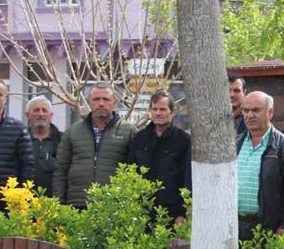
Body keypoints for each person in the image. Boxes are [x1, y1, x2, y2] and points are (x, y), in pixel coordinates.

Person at [53, 83, 136, 208]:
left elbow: (135, 171)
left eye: (106, 99)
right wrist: (59, 204)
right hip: (77, 204)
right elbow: (60, 170)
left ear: (114, 103)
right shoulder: (73, 132)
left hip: (113, 206)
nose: (101, 103)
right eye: (96, 99)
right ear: (89, 102)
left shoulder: (129, 132)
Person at [126, 91, 192, 223]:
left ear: (172, 112)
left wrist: (183, 213)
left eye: (163, 109)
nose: (158, 113)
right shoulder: (139, 138)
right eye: (154, 109)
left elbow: (188, 179)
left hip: (172, 214)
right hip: (142, 213)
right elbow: (130, 173)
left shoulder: (184, 140)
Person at [236, 91, 284, 240]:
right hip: (233, 227)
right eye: (246, 110)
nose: (249, 115)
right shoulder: (234, 145)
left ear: (270, 112)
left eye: (255, 110)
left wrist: (283, 225)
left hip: (266, 229)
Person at [0, 77, 33, 211]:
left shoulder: (18, 128)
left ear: (5, 98)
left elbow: (28, 165)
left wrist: (21, 196)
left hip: (8, 201)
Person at [25, 96, 62, 196]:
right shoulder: (19, 140)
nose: (41, 114)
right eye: (36, 110)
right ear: (27, 115)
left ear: (51, 115)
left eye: (44, 110)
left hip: (55, 202)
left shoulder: (63, 141)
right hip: (24, 202)